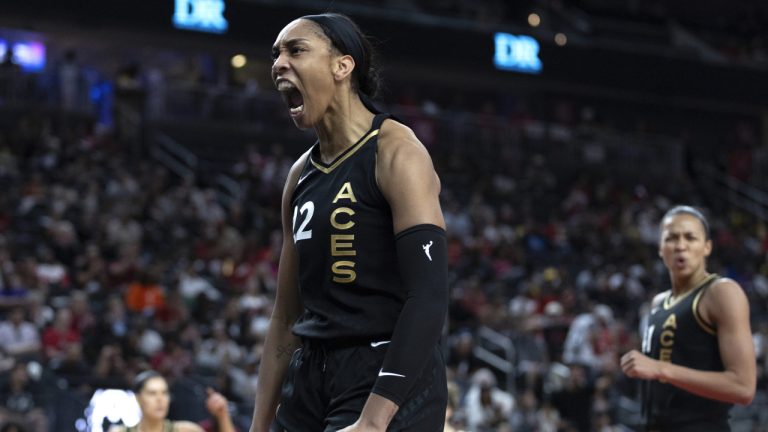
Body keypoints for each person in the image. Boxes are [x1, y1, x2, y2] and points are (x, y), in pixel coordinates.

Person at [249, 12, 448, 432]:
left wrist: (373, 421)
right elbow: (285, 317)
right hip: (311, 374)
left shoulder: (395, 152)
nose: (279, 63)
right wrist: (258, 426)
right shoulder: (299, 176)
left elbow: (428, 296)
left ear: (343, 65)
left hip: (384, 371)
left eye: (296, 50)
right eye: (276, 54)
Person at [620, 205, 756, 432]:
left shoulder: (721, 292)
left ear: (707, 247)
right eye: (671, 238)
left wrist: (661, 368)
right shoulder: (657, 303)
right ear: (660, 248)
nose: (681, 246)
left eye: (690, 238)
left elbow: (743, 388)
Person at [108, 370, 236, 432]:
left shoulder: (186, 430)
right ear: (138, 398)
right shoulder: (119, 431)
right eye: (152, 393)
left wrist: (223, 416)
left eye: (164, 393)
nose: (160, 399)